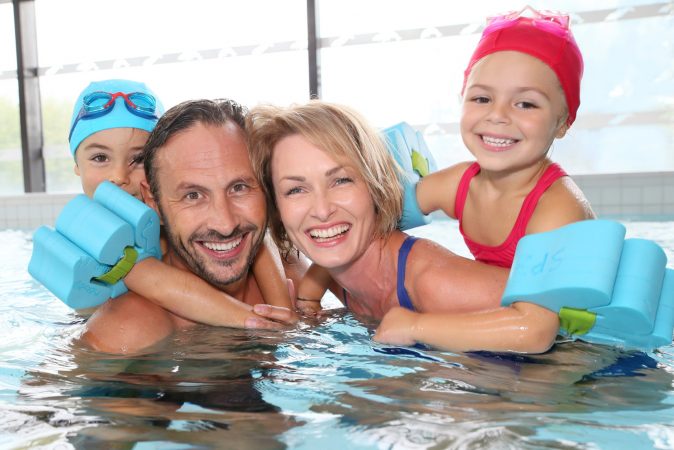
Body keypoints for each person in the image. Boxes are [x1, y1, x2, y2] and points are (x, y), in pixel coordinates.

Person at [247, 100, 560, 354]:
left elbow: (555, 319)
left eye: (341, 180)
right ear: (277, 208)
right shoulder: (337, 268)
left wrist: (417, 328)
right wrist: (306, 309)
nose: (322, 210)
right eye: (296, 190)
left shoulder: (434, 282)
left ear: (376, 187)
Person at [375, 7, 597, 351]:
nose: (497, 115)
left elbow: (536, 331)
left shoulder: (556, 210)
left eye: (525, 104)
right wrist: (315, 283)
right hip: (513, 320)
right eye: (482, 98)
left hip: (583, 343)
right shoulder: (458, 184)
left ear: (564, 121)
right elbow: (369, 224)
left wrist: (419, 325)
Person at [82, 98, 307, 354]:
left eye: (239, 187)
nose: (225, 224)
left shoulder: (297, 278)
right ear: (153, 203)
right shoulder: (130, 330)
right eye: (193, 195)